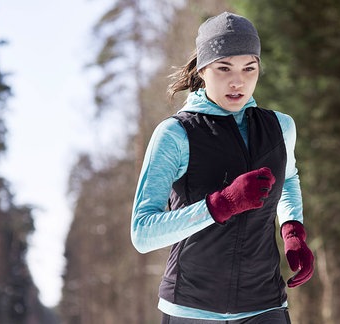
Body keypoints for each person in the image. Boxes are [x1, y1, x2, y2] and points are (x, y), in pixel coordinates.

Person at [131, 12, 314, 324]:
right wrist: (222, 204)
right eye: (224, 68)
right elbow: (143, 232)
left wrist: (292, 230)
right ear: (203, 69)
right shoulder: (176, 133)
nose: (237, 81)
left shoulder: (280, 127)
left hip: (265, 305)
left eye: (249, 69)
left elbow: (289, 179)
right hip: (191, 309)